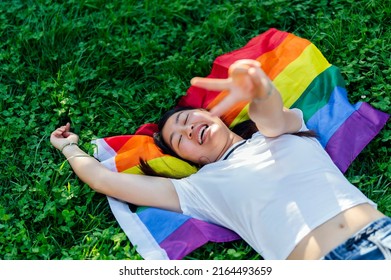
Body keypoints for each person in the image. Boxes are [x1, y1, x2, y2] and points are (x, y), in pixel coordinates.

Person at [50, 59, 391, 260]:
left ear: (213, 116)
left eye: (188, 120)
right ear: (188, 160)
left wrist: (260, 89)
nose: (188, 132)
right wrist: (69, 148)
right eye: (178, 141)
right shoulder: (199, 189)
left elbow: (271, 114)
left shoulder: (283, 130)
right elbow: (103, 180)